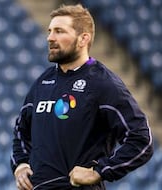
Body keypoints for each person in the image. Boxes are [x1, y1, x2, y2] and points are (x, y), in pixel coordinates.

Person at [10, 4, 153, 190]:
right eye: (50, 31)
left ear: (83, 38)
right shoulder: (42, 82)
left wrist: (99, 171)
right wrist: (21, 165)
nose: (50, 37)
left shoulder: (103, 84)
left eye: (59, 31)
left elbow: (141, 139)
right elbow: (21, 131)